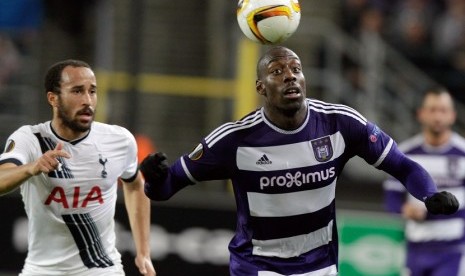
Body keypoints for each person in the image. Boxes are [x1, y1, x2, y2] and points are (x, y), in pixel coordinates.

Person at [140, 46, 458, 276]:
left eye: (296, 69)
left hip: (321, 264)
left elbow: (402, 165)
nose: (290, 76)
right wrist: (154, 177)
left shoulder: (340, 123)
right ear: (260, 87)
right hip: (259, 267)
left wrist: (429, 194)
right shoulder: (233, 140)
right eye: (277, 72)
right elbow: (165, 189)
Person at [0, 59, 156, 276]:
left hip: (102, 270)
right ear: (53, 98)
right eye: (77, 91)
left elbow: (135, 185)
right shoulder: (31, 139)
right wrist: (32, 167)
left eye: (92, 91)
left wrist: (144, 251)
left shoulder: (119, 140)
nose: (88, 101)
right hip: (43, 270)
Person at [383, 87, 465, 276]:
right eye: (432, 110)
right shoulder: (405, 153)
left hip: (454, 251)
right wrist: (405, 210)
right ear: (421, 114)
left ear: (452, 116)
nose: (437, 116)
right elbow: (392, 199)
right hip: (415, 250)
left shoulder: (463, 153)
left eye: (443, 110)